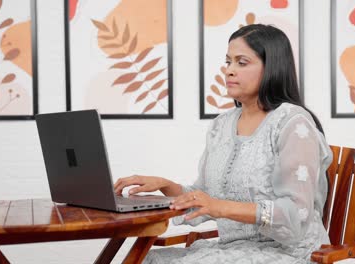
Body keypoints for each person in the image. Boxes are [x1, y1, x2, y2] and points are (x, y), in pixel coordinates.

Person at [114, 24, 333, 263]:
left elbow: (295, 215)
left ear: (272, 67)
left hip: (290, 253)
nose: (229, 70)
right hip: (234, 250)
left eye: (242, 62)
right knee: (145, 259)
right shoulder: (222, 125)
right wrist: (165, 185)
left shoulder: (293, 123)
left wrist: (219, 206)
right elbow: (205, 197)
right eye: (228, 61)